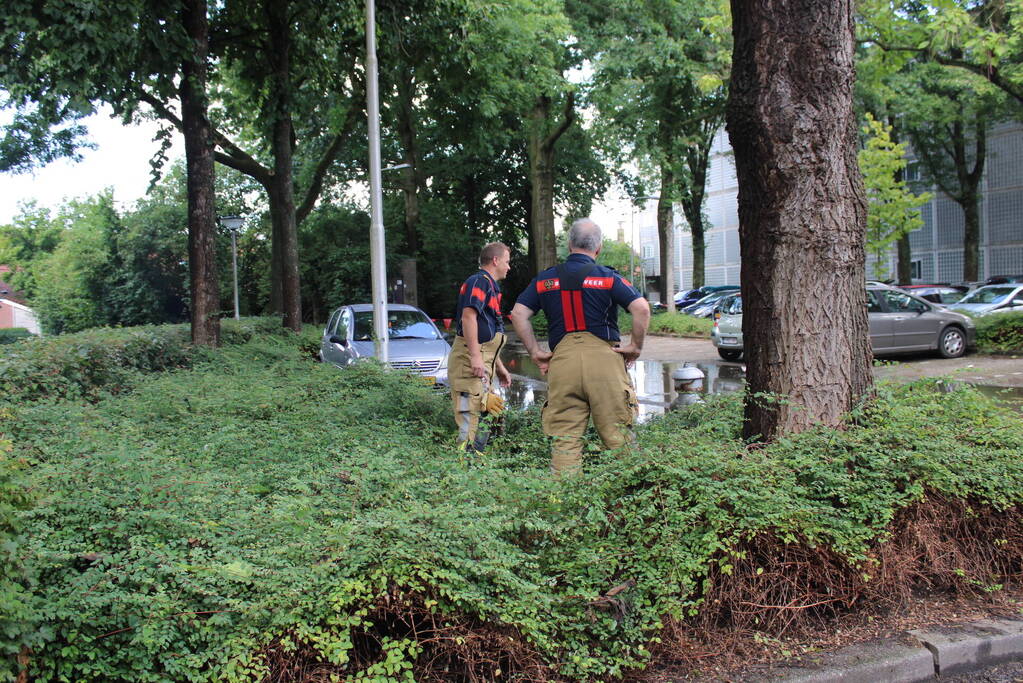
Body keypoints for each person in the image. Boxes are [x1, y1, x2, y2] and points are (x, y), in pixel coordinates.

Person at [510, 218, 651, 473]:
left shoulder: (545, 280)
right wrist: (636, 346)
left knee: (565, 440)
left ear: (570, 245)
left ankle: (565, 505)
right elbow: (641, 308)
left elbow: (518, 314)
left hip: (563, 363)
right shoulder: (608, 278)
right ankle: (627, 501)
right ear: (598, 248)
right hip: (605, 362)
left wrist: (536, 353)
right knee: (618, 436)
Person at [447, 242, 513, 453]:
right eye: (507, 261)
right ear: (495, 260)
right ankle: (465, 464)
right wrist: (475, 358)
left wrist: (499, 367)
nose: (509, 267)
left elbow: (485, 336)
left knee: (487, 408)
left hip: (481, 360)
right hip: (469, 362)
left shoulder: (491, 286)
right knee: (471, 413)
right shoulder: (479, 282)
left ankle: (477, 460)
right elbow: (468, 317)